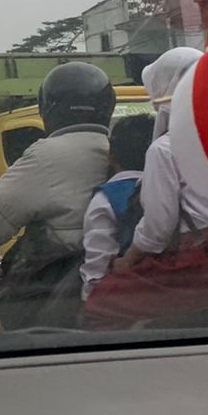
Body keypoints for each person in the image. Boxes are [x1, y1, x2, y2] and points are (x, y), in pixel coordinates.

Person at [0, 61, 115, 329]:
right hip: (124, 279)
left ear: (49, 108)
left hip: (63, 286)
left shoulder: (46, 154)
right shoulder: (120, 144)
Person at [83, 48, 208, 330]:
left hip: (197, 265)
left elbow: (157, 229)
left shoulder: (167, 148)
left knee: (98, 307)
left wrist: (126, 262)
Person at [78, 114, 155, 302]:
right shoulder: (178, 188)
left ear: (111, 155)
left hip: (125, 301)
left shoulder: (105, 199)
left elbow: (97, 272)